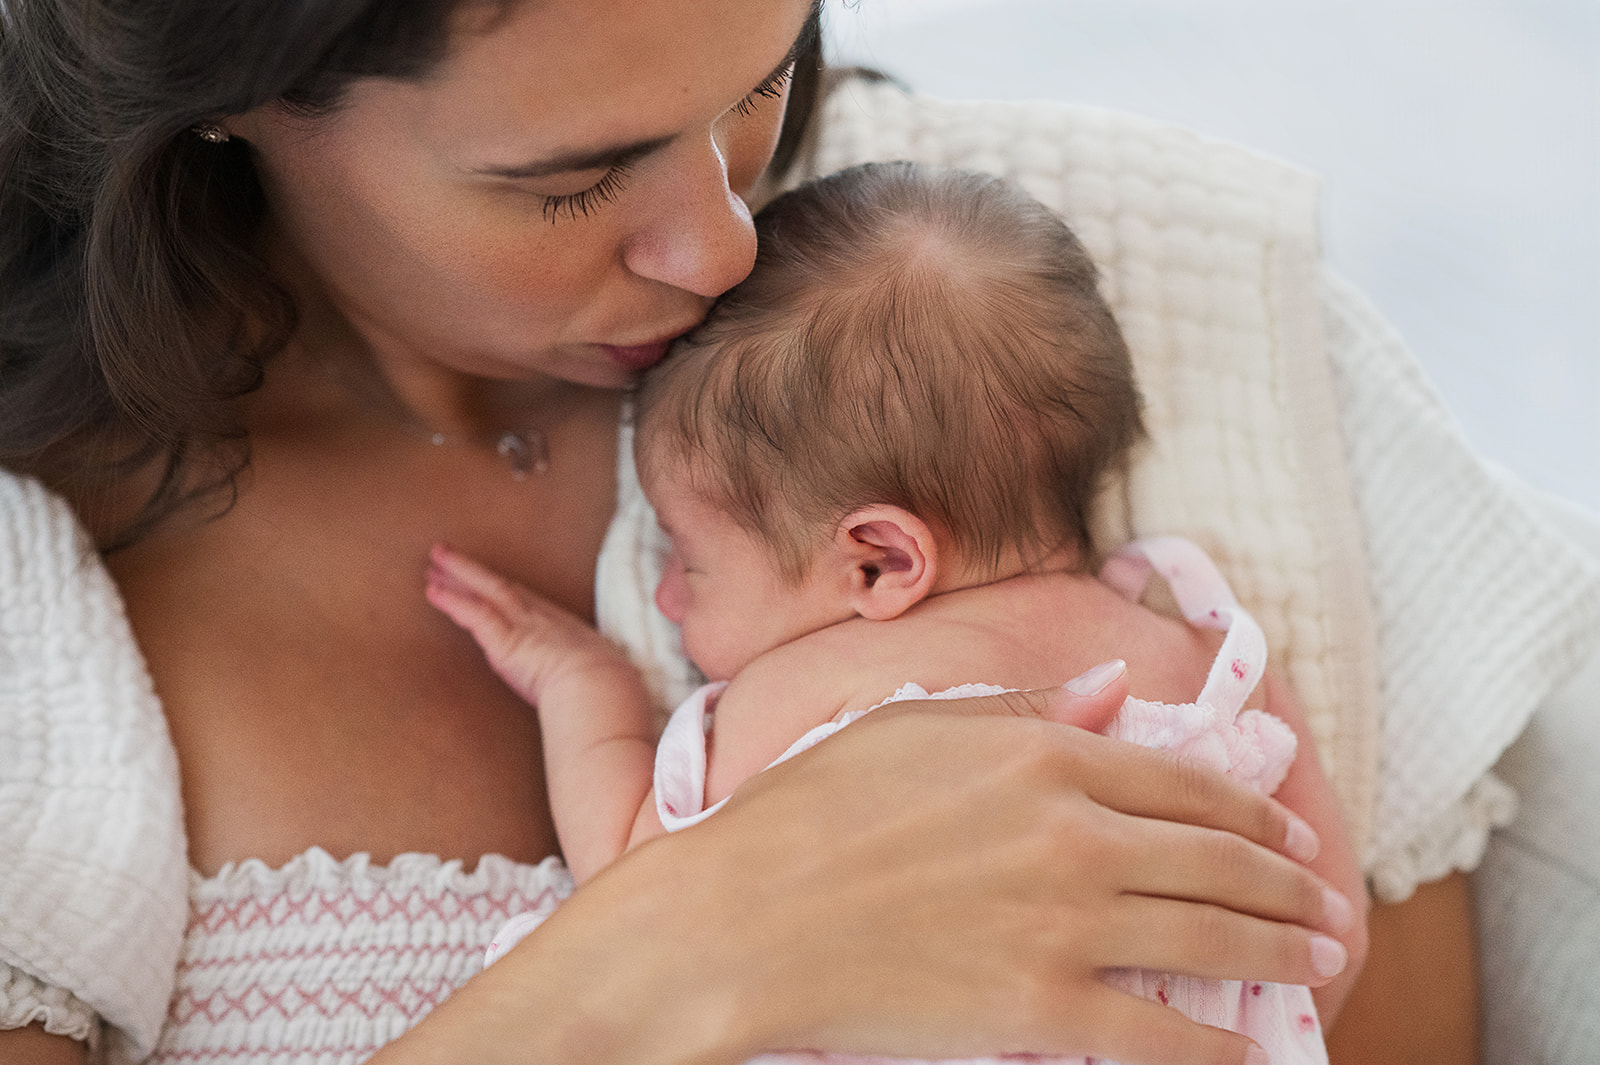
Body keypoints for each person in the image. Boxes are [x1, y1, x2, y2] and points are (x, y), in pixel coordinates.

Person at [0, 2, 1473, 1064]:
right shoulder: (44, 553)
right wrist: (687, 947)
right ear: (225, 84)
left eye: (764, 79)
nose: (724, 247)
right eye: (574, 178)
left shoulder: (1096, 288)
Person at [424, 162, 1364, 1065]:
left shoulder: (805, 690)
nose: (666, 594)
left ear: (879, 562)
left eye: (690, 558)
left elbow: (634, 900)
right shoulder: (1206, 645)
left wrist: (582, 684)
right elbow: (1330, 936)